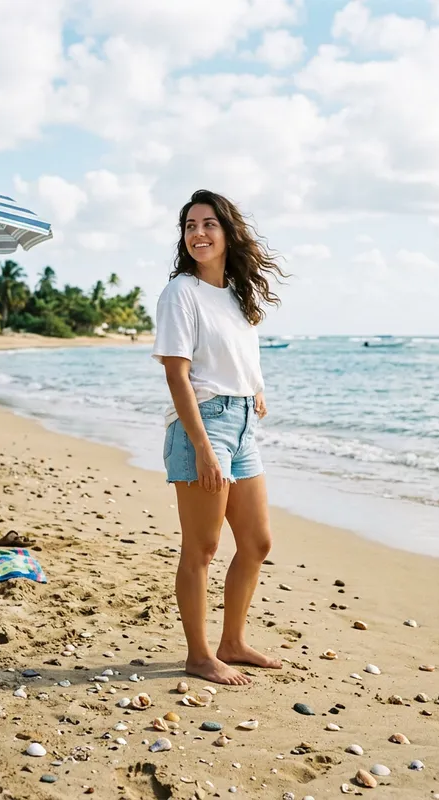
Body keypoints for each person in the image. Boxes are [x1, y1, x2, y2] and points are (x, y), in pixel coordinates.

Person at [152, 189, 287, 685]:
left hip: (243, 424)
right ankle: (199, 655)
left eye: (208, 224)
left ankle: (233, 643)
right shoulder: (180, 293)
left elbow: (235, 353)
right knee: (202, 549)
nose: (198, 233)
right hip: (203, 426)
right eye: (190, 226)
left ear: (228, 233)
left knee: (256, 542)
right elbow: (177, 375)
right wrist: (204, 448)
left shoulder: (235, 295)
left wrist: (256, 388)